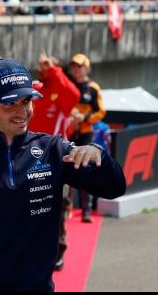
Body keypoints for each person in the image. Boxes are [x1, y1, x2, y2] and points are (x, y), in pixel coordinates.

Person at [0, 58, 126, 292]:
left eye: (27, 101)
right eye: (10, 103)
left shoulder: (53, 150)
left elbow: (114, 188)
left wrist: (99, 154)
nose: (22, 112)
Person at [28, 51, 81, 271]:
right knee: (29, 209)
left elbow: (73, 94)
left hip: (57, 160)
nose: (45, 70)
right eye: (44, 67)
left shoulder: (63, 96)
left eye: (50, 67)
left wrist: (53, 69)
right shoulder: (35, 90)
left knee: (58, 209)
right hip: (28, 160)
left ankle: (58, 251)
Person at [68, 53, 106, 223]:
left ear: (87, 68)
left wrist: (84, 118)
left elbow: (101, 112)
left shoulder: (93, 87)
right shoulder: (68, 85)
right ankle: (66, 208)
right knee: (66, 167)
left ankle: (87, 210)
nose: (76, 69)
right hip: (68, 132)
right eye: (74, 66)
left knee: (84, 168)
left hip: (85, 133)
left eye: (79, 66)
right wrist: (70, 117)